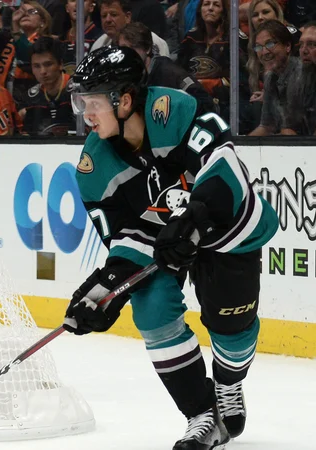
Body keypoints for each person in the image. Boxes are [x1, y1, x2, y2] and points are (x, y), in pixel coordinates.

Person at [64, 46, 278, 449]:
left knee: (231, 326)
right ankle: (202, 414)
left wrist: (195, 216)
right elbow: (125, 239)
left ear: (124, 100)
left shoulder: (175, 109)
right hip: (164, 241)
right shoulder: (94, 168)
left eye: (90, 102)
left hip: (223, 229)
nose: (85, 115)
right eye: (81, 102)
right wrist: (105, 288)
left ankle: (229, 385)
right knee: (151, 308)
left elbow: (224, 163)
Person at [118, 22, 219, 115]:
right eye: (123, 49)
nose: (127, 55)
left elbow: (205, 103)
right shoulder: (129, 75)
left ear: (147, 48)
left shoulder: (171, 74)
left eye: (132, 49)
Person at [248, 20, 299, 136]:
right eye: (258, 47)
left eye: (270, 44)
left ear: (287, 46)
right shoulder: (270, 78)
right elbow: (267, 126)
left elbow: (290, 131)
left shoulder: (300, 75)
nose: (264, 52)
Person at [17, 36, 74, 136]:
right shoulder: (29, 99)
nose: (43, 71)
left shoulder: (79, 90)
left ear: (60, 64)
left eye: (48, 64)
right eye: (36, 66)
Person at [91, 0, 170, 57]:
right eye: (104, 16)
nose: (107, 20)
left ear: (127, 17)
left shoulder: (152, 41)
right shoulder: (99, 45)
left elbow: (162, 73)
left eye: (113, 14)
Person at [287, 21, 316, 135]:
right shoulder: (296, 79)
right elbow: (288, 126)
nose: (304, 51)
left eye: (312, 44)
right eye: (301, 45)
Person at [61, 0, 103, 74]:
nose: (77, 4)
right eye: (73, 0)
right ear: (67, 8)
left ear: (91, 7)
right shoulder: (61, 39)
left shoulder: (101, 38)